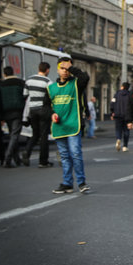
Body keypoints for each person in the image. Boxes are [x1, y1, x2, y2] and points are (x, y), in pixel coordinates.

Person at [45, 57, 91, 194]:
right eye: (62, 68)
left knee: (76, 154)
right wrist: (51, 114)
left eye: (67, 68)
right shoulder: (51, 88)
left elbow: (85, 77)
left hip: (73, 125)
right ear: (57, 70)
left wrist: (71, 67)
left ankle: (82, 182)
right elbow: (46, 106)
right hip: (59, 127)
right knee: (64, 156)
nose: (65, 71)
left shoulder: (76, 84)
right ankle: (67, 183)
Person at [22, 62, 53, 167]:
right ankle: (43, 161)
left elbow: (25, 95)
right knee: (44, 136)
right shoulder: (48, 82)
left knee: (35, 134)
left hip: (32, 110)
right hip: (44, 110)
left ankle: (26, 152)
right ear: (47, 70)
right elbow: (52, 96)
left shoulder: (29, 80)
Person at [0, 66, 26, 167]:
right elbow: (25, 96)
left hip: (6, 113)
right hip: (17, 111)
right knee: (14, 135)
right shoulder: (20, 82)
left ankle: (17, 159)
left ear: (4, 74)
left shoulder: (1, 84)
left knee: (12, 134)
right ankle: (8, 158)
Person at [110, 82, 130, 152]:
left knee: (118, 129)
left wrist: (112, 113)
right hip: (127, 116)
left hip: (117, 115)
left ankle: (118, 139)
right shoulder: (130, 95)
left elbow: (112, 104)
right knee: (126, 130)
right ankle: (125, 146)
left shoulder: (116, 94)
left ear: (122, 87)